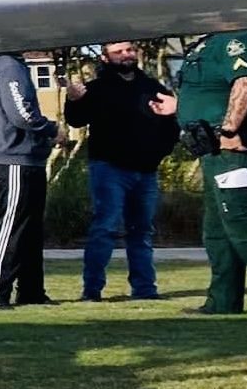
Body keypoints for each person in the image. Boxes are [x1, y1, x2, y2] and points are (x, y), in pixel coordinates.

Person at [63, 42, 180, 300]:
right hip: (109, 169)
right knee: (105, 228)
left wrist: (160, 152)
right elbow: (76, 120)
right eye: (119, 52)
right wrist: (72, 100)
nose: (126, 55)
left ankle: (145, 289)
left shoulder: (153, 89)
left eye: (130, 50)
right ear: (105, 57)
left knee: (142, 232)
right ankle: (92, 291)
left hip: (147, 171)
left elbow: (170, 126)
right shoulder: (96, 90)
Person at [174, 30, 247, 313]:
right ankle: (223, 302)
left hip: (231, 153)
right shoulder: (203, 44)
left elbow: (246, 83)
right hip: (212, 153)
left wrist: (230, 128)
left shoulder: (235, 40)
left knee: (244, 227)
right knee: (218, 232)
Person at [0, 52, 59, 308]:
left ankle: (32, 292)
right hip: (14, 161)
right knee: (11, 229)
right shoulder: (9, 66)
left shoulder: (8, 66)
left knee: (30, 232)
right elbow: (20, 113)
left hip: (29, 160)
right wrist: (52, 129)